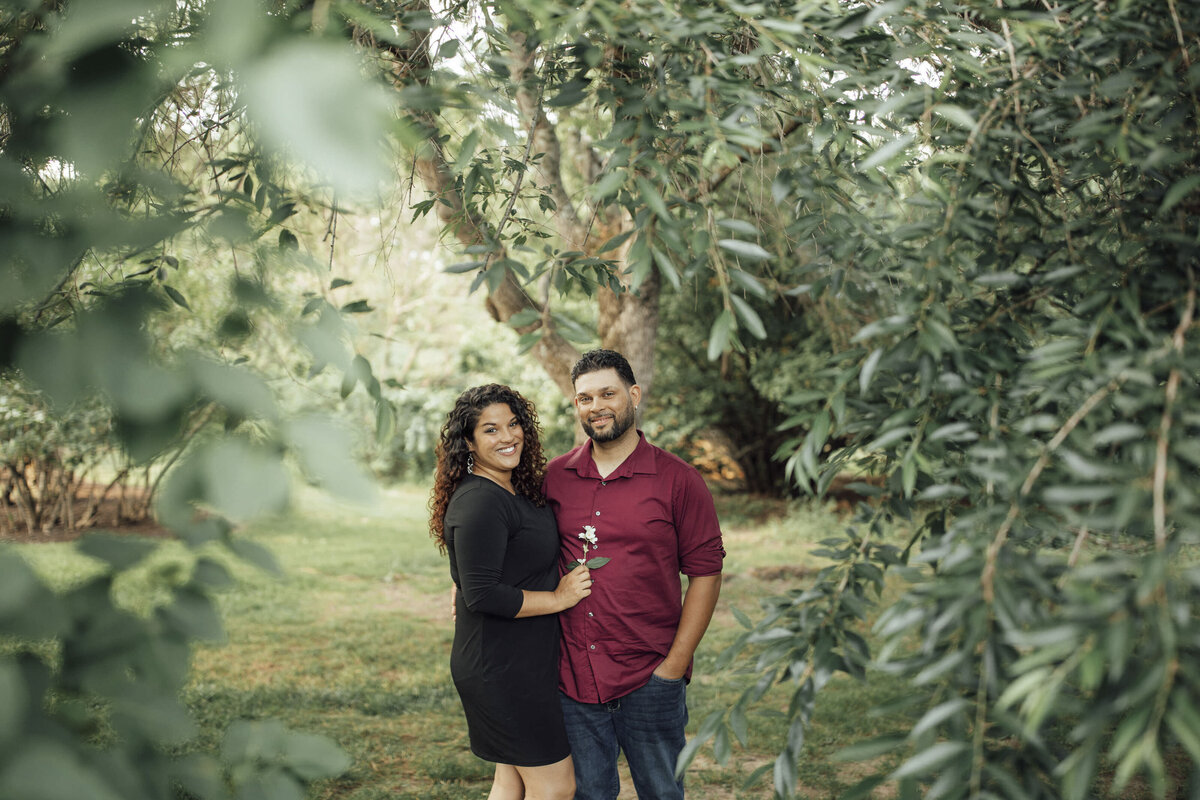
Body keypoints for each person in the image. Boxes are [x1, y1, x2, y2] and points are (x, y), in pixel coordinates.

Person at [544, 349, 725, 800]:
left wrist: (674, 668)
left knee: (662, 792)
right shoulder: (554, 477)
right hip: (574, 678)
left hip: (651, 675)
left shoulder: (679, 480)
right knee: (589, 794)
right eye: (585, 398)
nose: (596, 406)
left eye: (608, 393)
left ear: (634, 394)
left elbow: (706, 573)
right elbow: (513, 545)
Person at [430, 384, 594, 800]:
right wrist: (558, 598)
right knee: (556, 788)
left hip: (521, 662)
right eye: (490, 430)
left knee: (512, 780)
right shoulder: (480, 501)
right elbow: (483, 594)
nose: (507, 437)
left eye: (513, 423)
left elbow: (481, 569)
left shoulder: (511, 490)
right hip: (500, 669)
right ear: (468, 442)